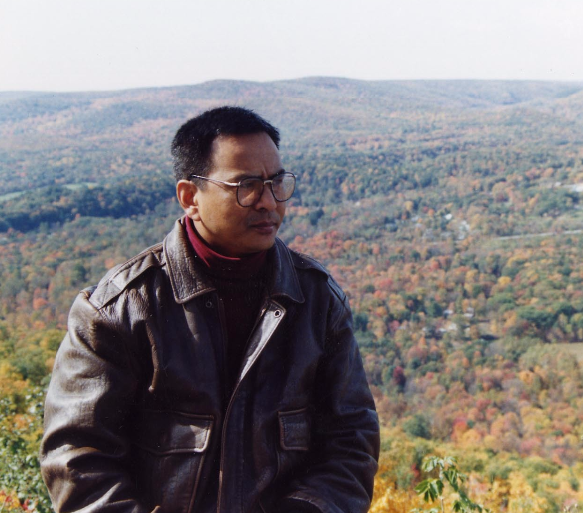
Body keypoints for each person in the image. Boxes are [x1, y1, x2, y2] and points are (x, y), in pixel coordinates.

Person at [40, 106, 380, 513]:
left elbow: (352, 440)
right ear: (190, 197)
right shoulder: (120, 310)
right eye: (247, 186)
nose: (268, 202)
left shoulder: (317, 301)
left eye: (276, 182)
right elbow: (78, 456)